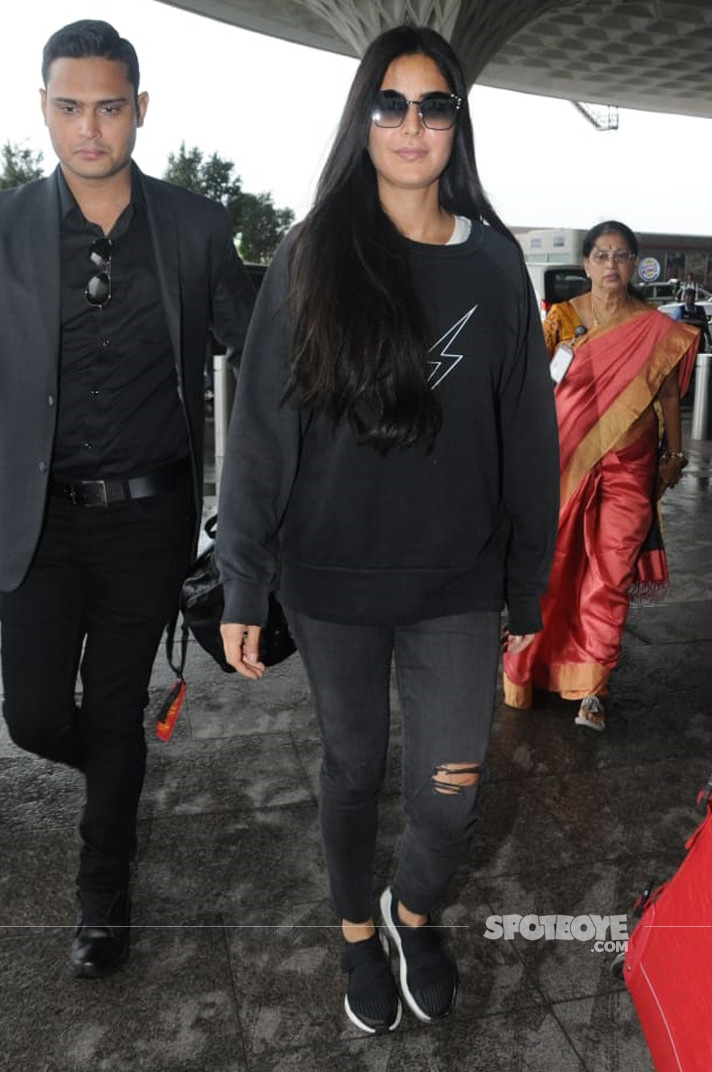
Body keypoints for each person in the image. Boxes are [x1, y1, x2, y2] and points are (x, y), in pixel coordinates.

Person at [216, 24, 558, 1034]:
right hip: (331, 579)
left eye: (433, 105)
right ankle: (355, 933)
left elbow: (529, 441)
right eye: (390, 103)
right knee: (353, 769)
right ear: (362, 119)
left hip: (456, 580)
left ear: (457, 123)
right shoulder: (313, 252)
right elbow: (262, 430)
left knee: (451, 787)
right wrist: (242, 577)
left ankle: (411, 912)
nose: (411, 125)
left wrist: (527, 584)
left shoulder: (496, 265)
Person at [0, 20, 254, 977]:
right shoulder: (8, 227)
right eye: (69, 107)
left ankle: (103, 895)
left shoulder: (192, 224)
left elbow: (258, 344)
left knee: (113, 708)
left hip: (148, 519)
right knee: (31, 718)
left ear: (139, 110)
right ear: (43, 109)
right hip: (34, 522)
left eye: (110, 107)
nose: (89, 128)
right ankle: (117, 772)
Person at [503, 221, 699, 731]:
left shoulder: (655, 329)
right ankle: (536, 667)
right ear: (586, 263)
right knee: (557, 569)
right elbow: (532, 386)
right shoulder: (563, 320)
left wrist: (673, 457)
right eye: (601, 255)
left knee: (609, 577)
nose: (610, 265)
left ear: (633, 264)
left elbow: (670, 396)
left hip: (630, 469)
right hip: (563, 464)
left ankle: (592, 687)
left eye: (621, 256)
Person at [679, 286, 711, 351]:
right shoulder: (679, 310)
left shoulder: (700, 309)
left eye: (692, 296)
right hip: (685, 342)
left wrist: (709, 338)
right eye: (688, 296)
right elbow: (675, 324)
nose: (690, 298)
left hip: (699, 342)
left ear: (695, 298)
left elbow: (705, 325)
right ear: (684, 297)